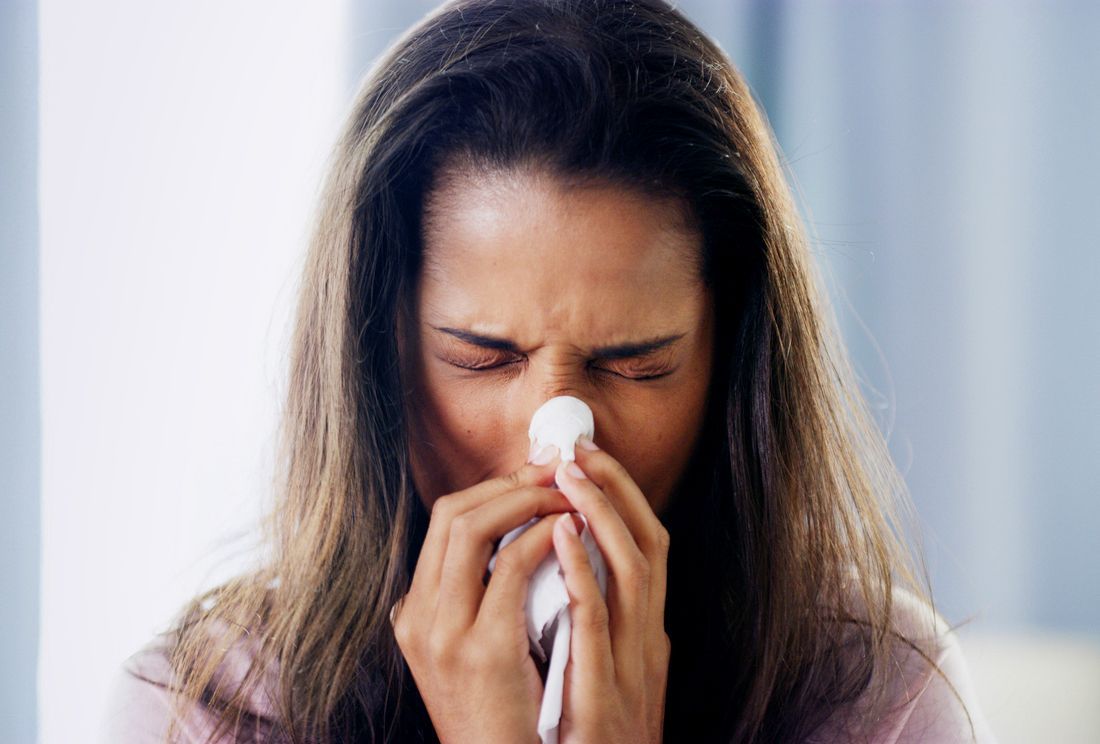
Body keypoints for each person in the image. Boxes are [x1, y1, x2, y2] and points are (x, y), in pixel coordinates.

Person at [100, 0, 999, 741]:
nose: (558, 443)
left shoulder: (878, 696)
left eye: (637, 365)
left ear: (731, 367)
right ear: (378, 355)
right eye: (481, 358)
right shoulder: (203, 710)